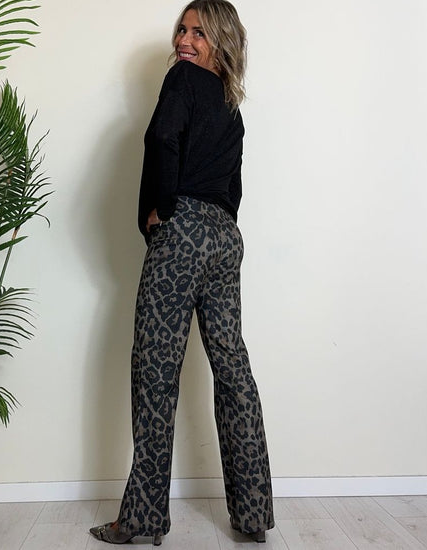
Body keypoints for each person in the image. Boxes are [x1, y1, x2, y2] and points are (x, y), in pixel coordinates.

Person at [90, 0, 274, 545]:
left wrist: (162, 209)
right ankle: (253, 515)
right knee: (234, 371)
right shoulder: (233, 110)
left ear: (222, 41)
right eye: (182, 29)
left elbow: (161, 139)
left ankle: (142, 519)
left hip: (184, 232)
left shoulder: (182, 81)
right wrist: (214, 225)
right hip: (225, 239)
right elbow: (233, 188)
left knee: (155, 374)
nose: (184, 40)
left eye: (199, 32)